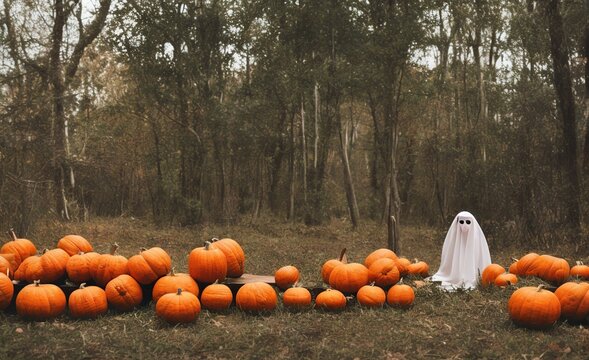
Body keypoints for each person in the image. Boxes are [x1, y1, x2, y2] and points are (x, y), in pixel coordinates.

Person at [429, 211, 491, 291]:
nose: (464, 225)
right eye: (461, 222)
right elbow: (449, 257)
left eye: (468, 222)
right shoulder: (453, 240)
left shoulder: (478, 240)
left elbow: (481, 257)